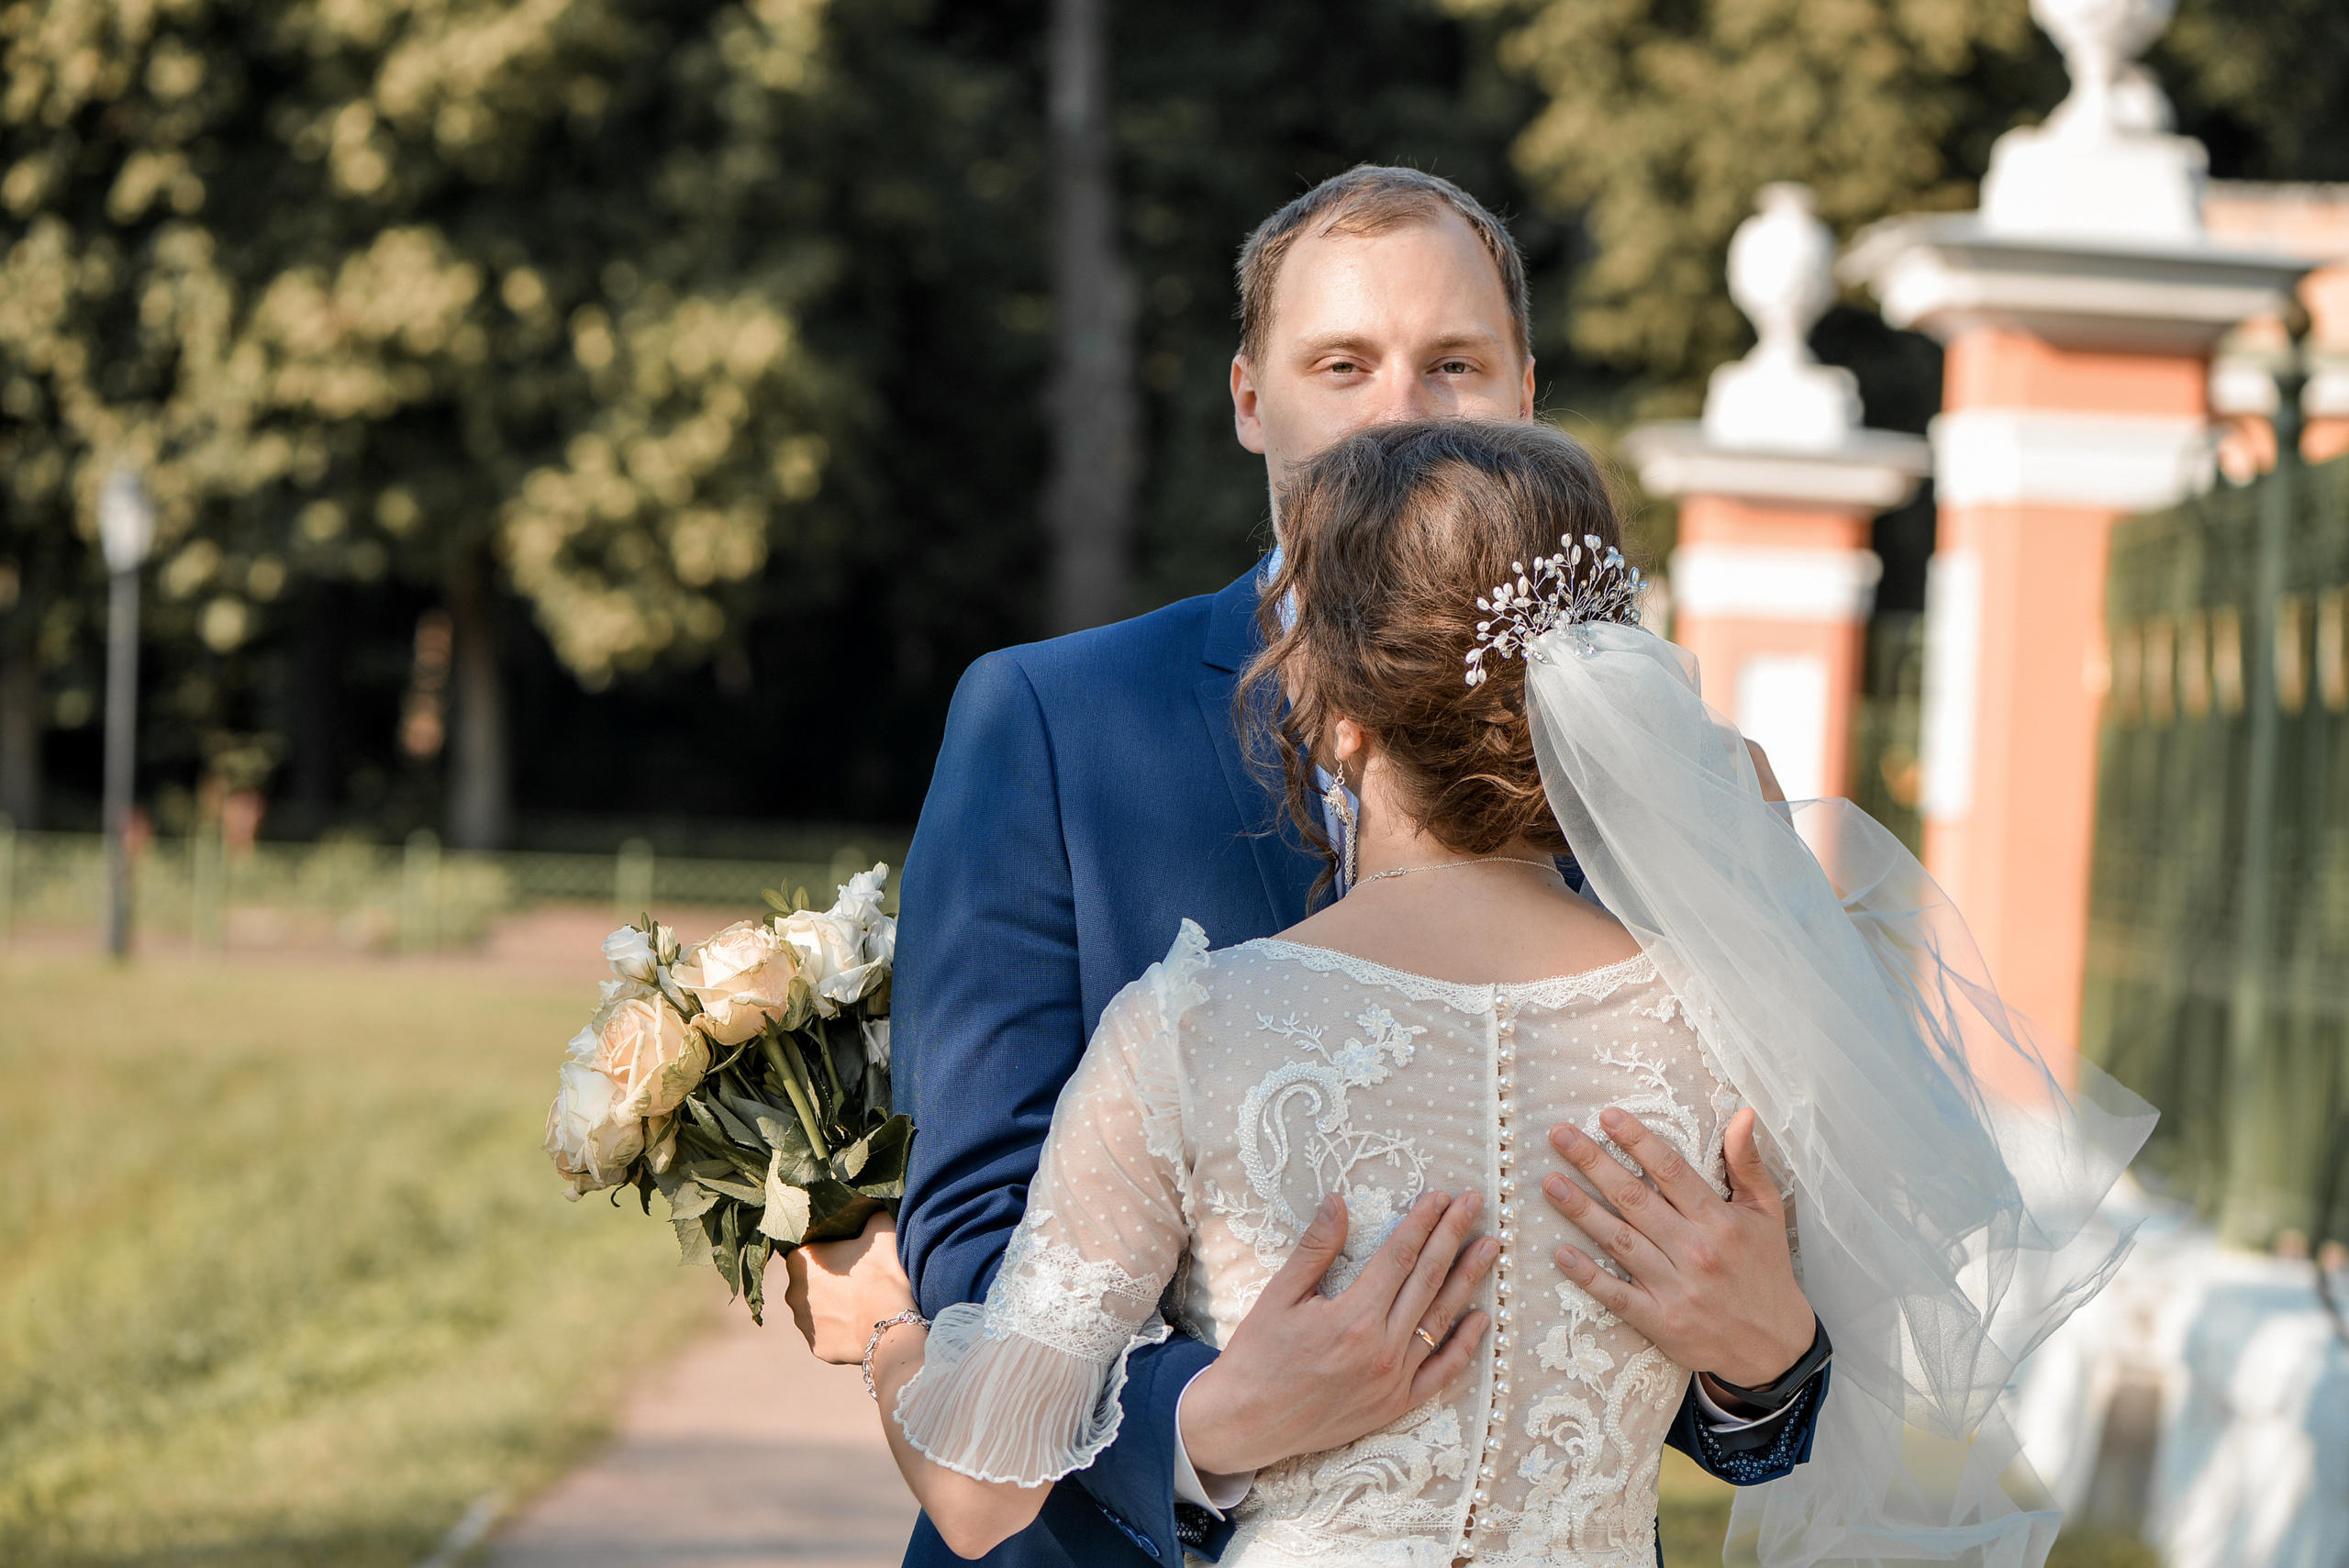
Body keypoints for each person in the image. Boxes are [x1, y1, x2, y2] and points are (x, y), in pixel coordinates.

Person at [793, 420, 2147, 1566]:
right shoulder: (1736, 1017)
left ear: (1330, 712)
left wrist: (893, 1332)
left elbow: (980, 1492)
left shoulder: (1193, 1032)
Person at [795, 169, 1831, 1568]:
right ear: (1248, 398)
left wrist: (1762, 1355)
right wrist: (1208, 1420)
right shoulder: (1049, 721)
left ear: (1526, 385)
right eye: (1341, 365)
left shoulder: (1691, 797)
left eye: (1452, 365)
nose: (1397, 411)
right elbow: (982, 1221)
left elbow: (1764, 1307)